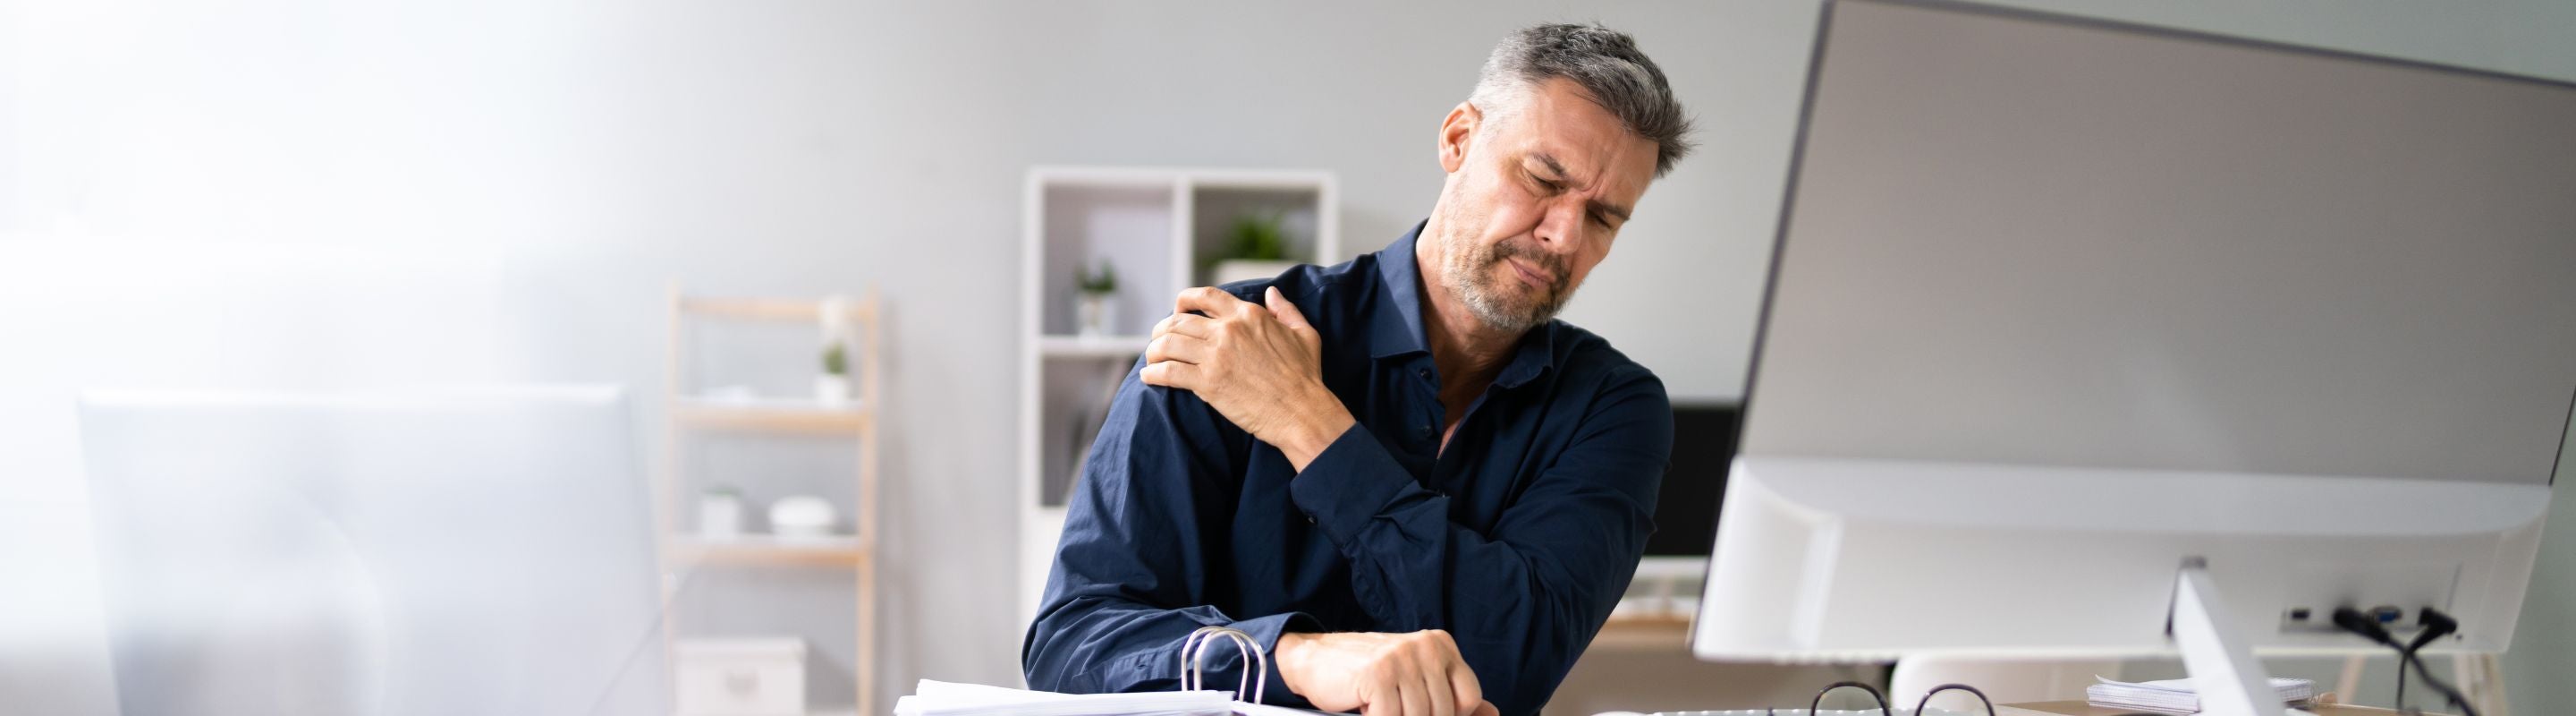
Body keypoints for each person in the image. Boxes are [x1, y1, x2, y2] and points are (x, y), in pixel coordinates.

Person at [1024, 22, 1692, 716]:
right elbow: (1073, 647)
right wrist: (1299, 659)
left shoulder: (1614, 408)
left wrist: (1307, 423)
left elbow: (1512, 665)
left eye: (1604, 219)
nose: (1563, 235)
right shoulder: (1228, 343)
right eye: (1543, 179)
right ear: (1459, 139)